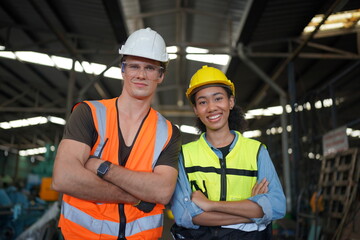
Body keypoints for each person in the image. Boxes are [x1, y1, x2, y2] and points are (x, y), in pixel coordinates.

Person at [52, 27, 181, 240]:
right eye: (134, 66)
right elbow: (64, 178)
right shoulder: (89, 113)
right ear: (123, 70)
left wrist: (103, 167)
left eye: (150, 68)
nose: (141, 74)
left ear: (161, 75)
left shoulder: (168, 132)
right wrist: (135, 198)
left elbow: (162, 191)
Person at [170, 65, 286, 239]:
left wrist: (210, 205)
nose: (211, 108)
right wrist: (254, 210)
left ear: (230, 102)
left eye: (218, 99)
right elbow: (184, 216)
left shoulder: (256, 151)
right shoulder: (184, 155)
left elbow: (277, 207)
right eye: (202, 102)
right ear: (195, 110)